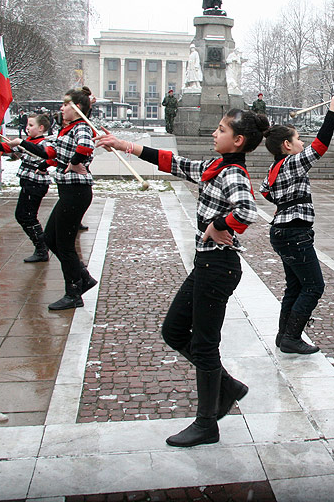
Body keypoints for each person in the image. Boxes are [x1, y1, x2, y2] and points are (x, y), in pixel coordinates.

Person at [95, 108, 269, 448]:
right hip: (207, 266)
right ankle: (228, 387)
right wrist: (124, 145)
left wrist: (218, 226)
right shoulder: (214, 167)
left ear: (238, 140)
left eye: (220, 130)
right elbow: (173, 162)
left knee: (204, 347)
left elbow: (247, 210)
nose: (214, 134)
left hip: (218, 268)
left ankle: (207, 424)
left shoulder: (233, 171)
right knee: (173, 331)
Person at [260, 92, 334, 355]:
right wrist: (333, 111)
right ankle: (292, 337)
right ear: (287, 144)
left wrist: (286, 198)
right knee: (314, 286)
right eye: (298, 139)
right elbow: (321, 145)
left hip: (282, 230)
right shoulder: (292, 163)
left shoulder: (275, 168)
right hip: (294, 232)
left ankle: (283, 334)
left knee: (295, 286)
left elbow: (265, 191)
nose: (302, 143)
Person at [9, 87, 97, 311]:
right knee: (50, 239)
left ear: (76, 108)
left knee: (65, 244)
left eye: (66, 104)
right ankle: (82, 276)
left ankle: (74, 292)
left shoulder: (81, 127)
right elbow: (49, 153)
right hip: (68, 192)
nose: (62, 108)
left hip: (77, 192)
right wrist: (21, 143)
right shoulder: (66, 129)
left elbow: (86, 147)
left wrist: (75, 161)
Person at [0, 113, 52, 262]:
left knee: (27, 217)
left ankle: (42, 248)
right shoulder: (28, 141)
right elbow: (8, 147)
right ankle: (42, 246)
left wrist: (22, 145)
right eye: (27, 125)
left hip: (36, 184)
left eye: (31, 125)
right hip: (28, 183)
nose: (27, 128)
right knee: (23, 216)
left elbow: (44, 155)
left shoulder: (44, 143)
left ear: (41, 128)